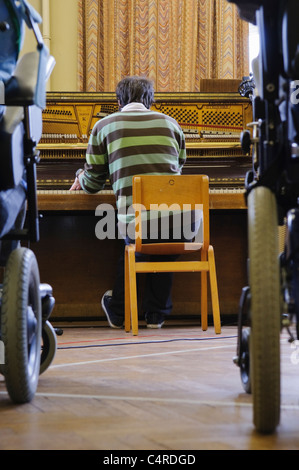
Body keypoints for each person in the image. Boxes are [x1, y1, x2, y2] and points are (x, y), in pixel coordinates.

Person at [70, 76, 186, 329]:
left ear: (119, 100)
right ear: (150, 100)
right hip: (179, 222)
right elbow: (179, 166)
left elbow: (92, 184)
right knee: (162, 230)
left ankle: (120, 310)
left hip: (136, 223)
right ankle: (157, 313)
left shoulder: (104, 126)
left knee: (135, 235)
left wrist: (80, 176)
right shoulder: (171, 124)